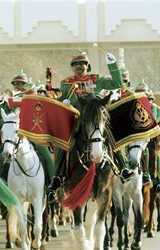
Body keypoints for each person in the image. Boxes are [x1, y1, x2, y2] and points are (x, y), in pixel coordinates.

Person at [47, 50, 133, 202]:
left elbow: (118, 83)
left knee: (112, 134)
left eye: (82, 64)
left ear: (87, 66)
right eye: (75, 64)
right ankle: (57, 178)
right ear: (72, 67)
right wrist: (63, 102)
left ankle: (123, 167)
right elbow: (62, 99)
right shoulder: (66, 83)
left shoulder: (96, 79)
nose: (79, 66)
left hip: (95, 114)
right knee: (62, 142)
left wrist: (112, 65)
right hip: (76, 117)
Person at [134, 82, 160, 193]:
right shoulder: (131, 107)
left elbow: (154, 120)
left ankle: (155, 179)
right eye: (138, 93)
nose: (140, 96)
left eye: (142, 94)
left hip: (152, 136)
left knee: (153, 151)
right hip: (135, 136)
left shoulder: (154, 107)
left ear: (147, 95)